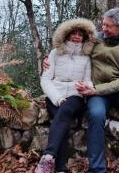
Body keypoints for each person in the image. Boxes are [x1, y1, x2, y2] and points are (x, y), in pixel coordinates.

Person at [74, 8, 119, 173]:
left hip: (117, 92)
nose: (103, 28)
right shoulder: (95, 39)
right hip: (97, 93)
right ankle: (97, 169)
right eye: (103, 24)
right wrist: (51, 60)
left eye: (108, 26)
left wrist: (96, 89)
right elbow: (72, 49)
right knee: (96, 114)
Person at [35, 18, 96, 173]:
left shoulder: (86, 57)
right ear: (67, 34)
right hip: (55, 94)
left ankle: (48, 157)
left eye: (80, 34)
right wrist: (57, 98)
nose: (76, 36)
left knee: (66, 110)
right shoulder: (55, 53)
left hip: (76, 95)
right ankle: (61, 167)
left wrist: (86, 87)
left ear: (85, 37)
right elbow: (46, 79)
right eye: (73, 33)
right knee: (62, 120)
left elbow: (88, 79)